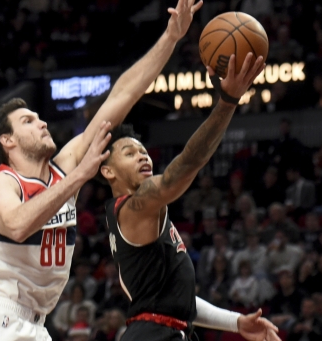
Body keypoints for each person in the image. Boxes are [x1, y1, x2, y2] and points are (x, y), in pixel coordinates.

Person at [0, 0, 205, 340]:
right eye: (27, 121)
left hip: (35, 324)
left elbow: (122, 94)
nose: (41, 124)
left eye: (39, 118)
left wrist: (170, 37)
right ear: (7, 141)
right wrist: (80, 176)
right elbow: (17, 225)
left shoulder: (61, 170)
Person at [99, 52, 280, 340]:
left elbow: (178, 303)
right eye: (129, 153)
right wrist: (227, 102)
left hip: (162, 330)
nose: (142, 156)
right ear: (108, 172)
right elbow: (184, 166)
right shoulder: (133, 208)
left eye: (143, 151)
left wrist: (235, 322)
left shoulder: (140, 216)